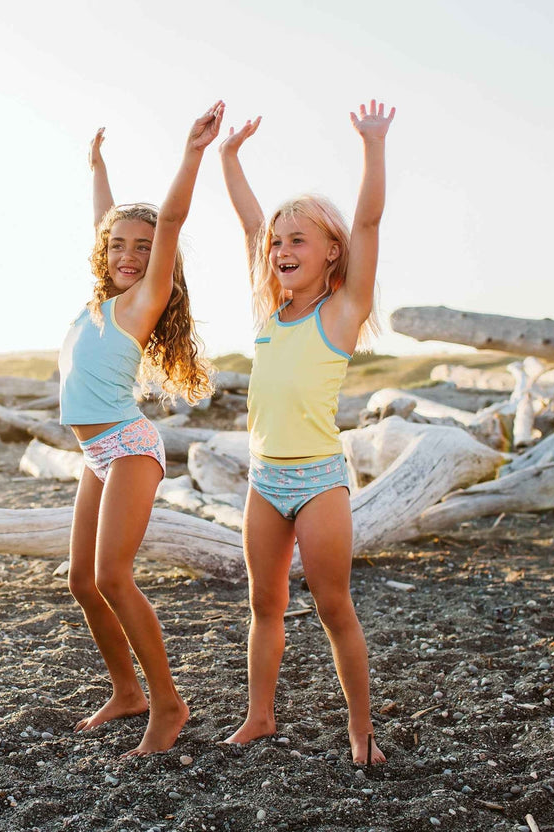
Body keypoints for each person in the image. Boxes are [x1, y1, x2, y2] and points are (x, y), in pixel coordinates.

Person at [218, 99, 395, 765]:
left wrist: (372, 145)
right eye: (278, 242)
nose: (282, 249)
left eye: (299, 240)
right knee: (264, 605)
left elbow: (370, 220)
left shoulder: (342, 311)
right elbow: (247, 223)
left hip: (320, 480)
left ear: (330, 254)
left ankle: (360, 732)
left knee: (334, 609)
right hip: (264, 481)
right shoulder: (269, 309)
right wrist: (229, 157)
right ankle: (259, 716)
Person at [58, 102, 223, 757]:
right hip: (95, 453)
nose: (129, 254)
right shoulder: (96, 302)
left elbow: (172, 218)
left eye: (143, 249)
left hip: (129, 446)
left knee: (114, 576)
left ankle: (168, 703)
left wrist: (192, 152)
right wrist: (96, 165)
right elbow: (106, 220)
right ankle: (126, 692)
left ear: (156, 262)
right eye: (119, 245)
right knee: (81, 580)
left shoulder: (140, 302)